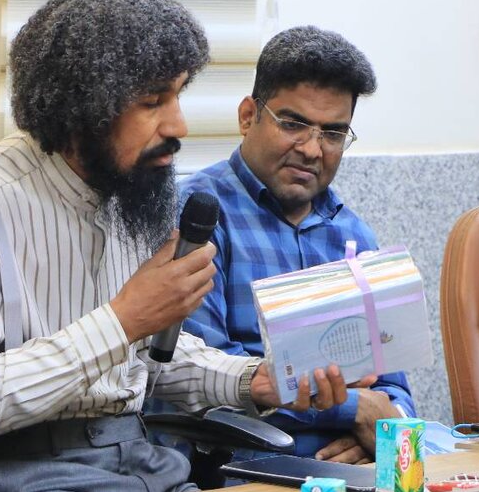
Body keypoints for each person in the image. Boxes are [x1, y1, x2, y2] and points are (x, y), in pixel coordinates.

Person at [0, 0, 350, 492]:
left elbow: (146, 365)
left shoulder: (128, 191)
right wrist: (124, 319)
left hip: (137, 463)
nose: (178, 125)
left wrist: (251, 380)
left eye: (178, 95)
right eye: (152, 102)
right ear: (82, 109)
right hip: (8, 482)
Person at [177, 26, 416, 463]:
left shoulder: (353, 235)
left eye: (333, 133)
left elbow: (393, 389)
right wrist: (355, 411)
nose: (312, 149)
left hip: (356, 468)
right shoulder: (198, 216)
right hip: (244, 471)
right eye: (293, 124)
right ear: (248, 116)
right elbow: (200, 375)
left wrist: (379, 437)